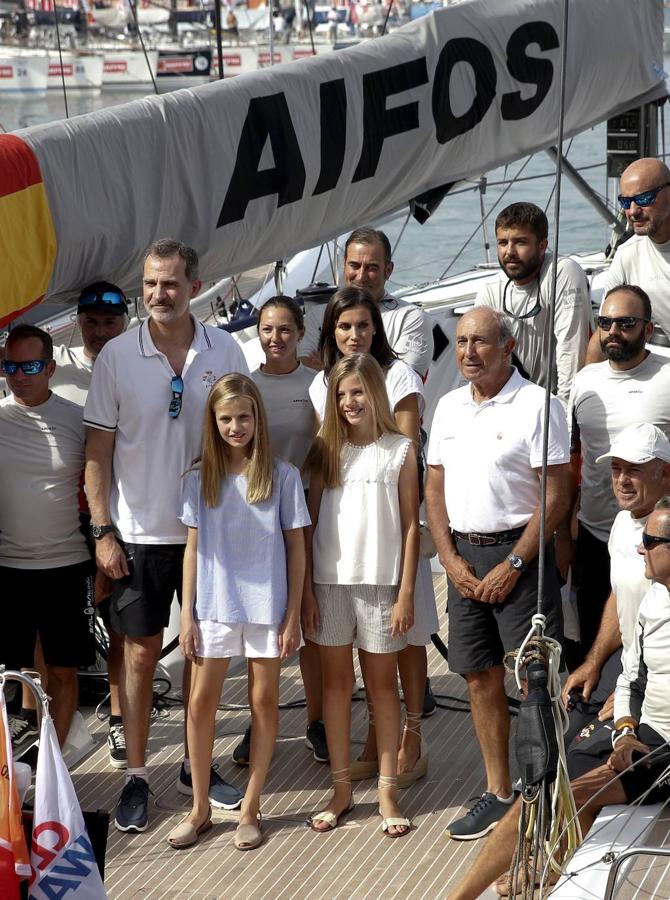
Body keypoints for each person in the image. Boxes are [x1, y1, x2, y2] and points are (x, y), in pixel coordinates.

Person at [84, 239, 249, 833]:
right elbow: (98, 452)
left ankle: (193, 765)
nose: (159, 294)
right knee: (138, 656)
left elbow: (242, 437)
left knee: (204, 653)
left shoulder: (225, 347)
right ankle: (135, 775)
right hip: (138, 535)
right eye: (151, 284)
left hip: (210, 532)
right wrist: (104, 533)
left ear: (194, 286)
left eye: (171, 284)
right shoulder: (117, 358)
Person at [450, 496, 670, 900]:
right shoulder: (651, 598)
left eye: (652, 541)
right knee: (541, 786)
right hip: (637, 734)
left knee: (576, 793)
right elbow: (630, 679)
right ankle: (465, 894)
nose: (641, 547)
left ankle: (547, 869)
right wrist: (623, 730)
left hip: (665, 752)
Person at [424, 307, 571, 840]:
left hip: (521, 557)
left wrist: (515, 564)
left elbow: (557, 494)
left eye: (480, 342)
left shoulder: (539, 405)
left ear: (507, 347)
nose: (467, 352)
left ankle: (546, 794)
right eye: (461, 341)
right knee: (480, 676)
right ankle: (500, 790)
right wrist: (449, 558)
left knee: (536, 681)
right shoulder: (447, 407)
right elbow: (433, 487)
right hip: (463, 557)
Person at [168, 375, 309, 851]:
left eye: (244, 417)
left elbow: (297, 548)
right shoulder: (197, 477)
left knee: (264, 701)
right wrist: (186, 615)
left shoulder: (282, 475)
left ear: (257, 418)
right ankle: (201, 808)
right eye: (225, 418)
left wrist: (292, 615)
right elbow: (192, 550)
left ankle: (251, 807)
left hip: (267, 607)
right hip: (213, 605)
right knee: (200, 701)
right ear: (213, 421)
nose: (235, 426)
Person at [309, 286, 438, 786]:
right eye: (344, 326)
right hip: (337, 568)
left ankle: (410, 734)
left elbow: (399, 446)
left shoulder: (398, 375)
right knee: (351, 670)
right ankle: (366, 745)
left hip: (387, 550)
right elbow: (324, 468)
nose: (354, 334)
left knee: (405, 641)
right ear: (331, 332)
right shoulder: (326, 384)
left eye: (363, 325)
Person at [303, 353, 419, 837]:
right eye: (341, 394)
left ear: (377, 393)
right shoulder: (324, 450)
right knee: (334, 687)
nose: (350, 402)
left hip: (381, 584)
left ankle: (388, 790)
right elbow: (307, 525)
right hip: (329, 584)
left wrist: (406, 592)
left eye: (358, 391)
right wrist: (307, 589)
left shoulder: (400, 449)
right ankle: (342, 788)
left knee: (381, 688)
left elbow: (412, 523)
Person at [232, 296, 326, 766]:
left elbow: (326, 454)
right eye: (267, 330)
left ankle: (317, 721)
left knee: (310, 620)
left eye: (285, 330)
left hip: (309, 509)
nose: (275, 339)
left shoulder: (316, 385)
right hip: (258, 518)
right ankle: (257, 722)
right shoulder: (245, 388)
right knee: (262, 626)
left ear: (300, 331)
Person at [0, 325, 96, 747]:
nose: (19, 375)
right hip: (7, 567)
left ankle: (53, 762)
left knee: (62, 669)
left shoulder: (79, 420)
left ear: (51, 367)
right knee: (16, 671)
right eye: (10, 366)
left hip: (67, 565)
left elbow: (101, 492)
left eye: (30, 366)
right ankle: (22, 758)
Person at [568, 285, 670, 661]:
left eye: (625, 323)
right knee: (594, 644)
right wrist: (566, 533)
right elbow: (572, 458)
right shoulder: (584, 382)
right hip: (597, 534)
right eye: (605, 322)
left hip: (658, 538)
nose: (613, 331)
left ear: (648, 329)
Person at [55, 281, 129, 770]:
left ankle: (121, 719)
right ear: (79, 320)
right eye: (91, 321)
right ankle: (39, 721)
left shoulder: (136, 364)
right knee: (54, 629)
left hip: (121, 513)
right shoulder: (57, 370)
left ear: (124, 320)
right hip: (65, 516)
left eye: (109, 322)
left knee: (119, 622)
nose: (100, 331)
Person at [561, 423, 670, 747]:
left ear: (665, 474)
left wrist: (633, 700)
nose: (621, 480)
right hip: (624, 663)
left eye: (634, 470)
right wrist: (593, 663)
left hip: (651, 681)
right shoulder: (623, 523)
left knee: (578, 757)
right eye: (616, 469)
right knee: (560, 739)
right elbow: (618, 596)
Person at [475, 202, 591, 410]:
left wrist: (565, 411)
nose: (509, 252)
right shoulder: (490, 288)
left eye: (520, 242)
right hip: (511, 402)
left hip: (558, 400)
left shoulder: (561, 273)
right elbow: (479, 357)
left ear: (542, 245)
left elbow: (570, 349)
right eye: (502, 243)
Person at [299, 226, 433, 379]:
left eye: (371, 268)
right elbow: (303, 371)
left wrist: (328, 367)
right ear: (344, 265)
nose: (361, 276)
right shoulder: (317, 315)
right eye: (354, 265)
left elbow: (404, 381)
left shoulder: (411, 318)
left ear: (388, 270)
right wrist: (379, 368)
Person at [587, 158, 670, 363]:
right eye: (625, 202)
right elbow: (604, 332)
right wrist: (583, 385)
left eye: (644, 199)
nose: (632, 211)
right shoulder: (627, 254)